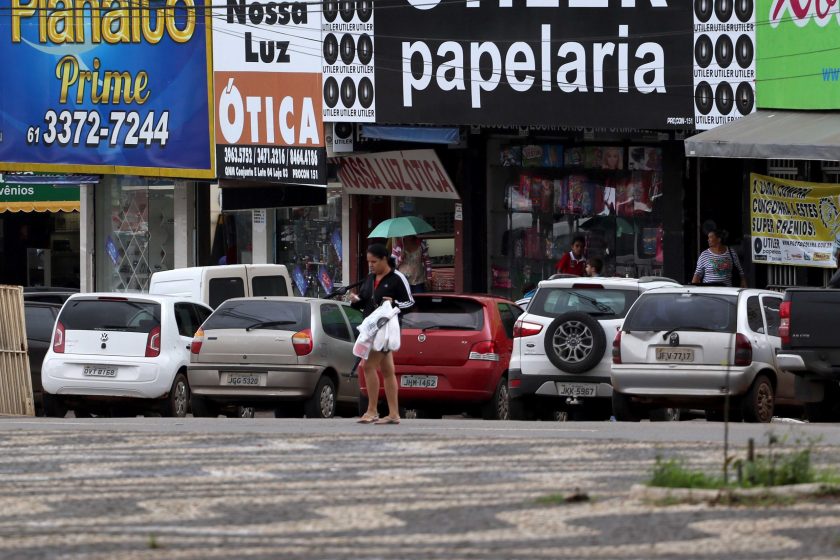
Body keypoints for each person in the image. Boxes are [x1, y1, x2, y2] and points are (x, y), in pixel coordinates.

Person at [351, 244, 414, 425]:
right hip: (370, 330)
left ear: (384, 259)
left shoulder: (397, 278)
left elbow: (410, 303)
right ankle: (393, 413)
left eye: (374, 261)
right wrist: (355, 301)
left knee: (368, 365)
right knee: (387, 370)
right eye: (368, 262)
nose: (371, 265)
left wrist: (394, 304)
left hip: (387, 330)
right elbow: (365, 301)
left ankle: (372, 410)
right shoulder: (370, 279)